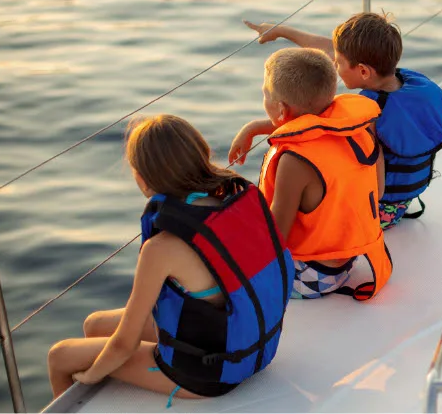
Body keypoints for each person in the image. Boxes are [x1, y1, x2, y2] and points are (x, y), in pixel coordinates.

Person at [47, 115, 290, 405]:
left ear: (141, 179)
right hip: (249, 347)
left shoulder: (162, 248)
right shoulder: (235, 201)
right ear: (202, 154)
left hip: (207, 376)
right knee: (94, 325)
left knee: (60, 357)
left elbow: (125, 344)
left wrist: (89, 376)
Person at [236, 13, 442, 230]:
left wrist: (254, 128)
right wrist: (281, 31)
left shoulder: (369, 115)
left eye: (338, 63)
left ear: (362, 71)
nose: (334, 66)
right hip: (403, 201)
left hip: (378, 212)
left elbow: (312, 126)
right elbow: (327, 47)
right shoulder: (407, 80)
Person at [230, 47, 392, 300]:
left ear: (281, 109)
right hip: (349, 258)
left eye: (265, 94)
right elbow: (378, 191)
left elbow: (275, 237)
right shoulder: (360, 131)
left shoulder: (295, 161)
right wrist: (253, 128)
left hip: (311, 276)